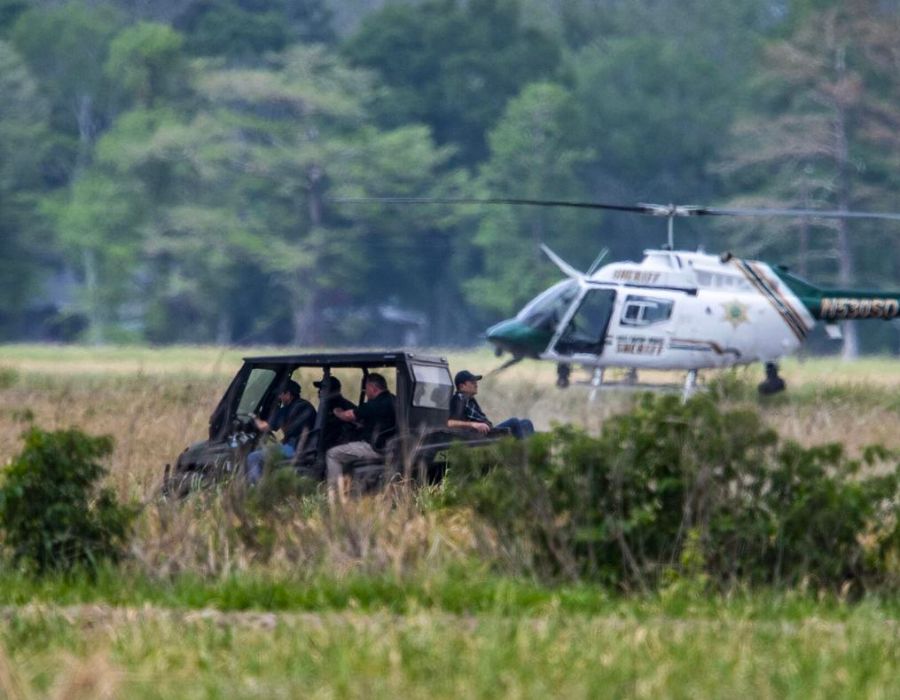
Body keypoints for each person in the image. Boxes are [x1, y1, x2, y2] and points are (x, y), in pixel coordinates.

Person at [326, 373, 396, 497]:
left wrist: (337, 411)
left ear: (374, 388)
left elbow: (348, 416)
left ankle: (335, 496)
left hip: (373, 448)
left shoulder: (375, 404)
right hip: (388, 445)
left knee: (332, 454)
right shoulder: (393, 400)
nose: (365, 391)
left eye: (366, 388)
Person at [245, 379, 316, 484]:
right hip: (309, 447)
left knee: (253, 457)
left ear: (288, 394)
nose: (279, 398)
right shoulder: (307, 406)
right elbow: (295, 430)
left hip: (293, 449)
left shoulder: (286, 409)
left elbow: (263, 427)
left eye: (280, 394)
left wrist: (253, 417)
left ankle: (256, 489)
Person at [448, 369, 534, 439]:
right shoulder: (459, 399)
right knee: (514, 421)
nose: (476, 385)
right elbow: (450, 423)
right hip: (481, 436)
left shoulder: (469, 399)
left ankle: (531, 450)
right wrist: (474, 424)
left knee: (526, 422)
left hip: (489, 432)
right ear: (462, 386)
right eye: (472, 382)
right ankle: (525, 452)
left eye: (476, 382)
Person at [314, 375, 357, 450]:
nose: (318, 392)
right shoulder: (328, 405)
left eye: (321, 389)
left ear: (331, 391)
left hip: (338, 445)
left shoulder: (338, 406)